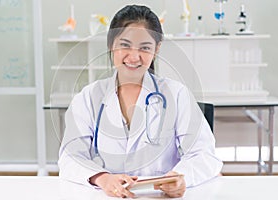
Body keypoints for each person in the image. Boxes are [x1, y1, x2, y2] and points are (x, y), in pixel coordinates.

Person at [58, 4, 223, 198]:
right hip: (108, 195)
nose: (134, 56)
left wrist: (180, 177)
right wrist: (102, 178)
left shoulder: (177, 95)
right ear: (111, 45)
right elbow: (70, 157)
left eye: (145, 48)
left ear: (157, 49)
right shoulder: (88, 97)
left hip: (160, 197)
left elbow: (205, 155)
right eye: (125, 45)